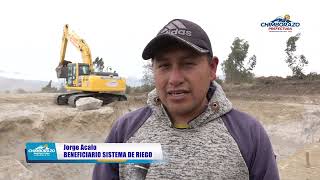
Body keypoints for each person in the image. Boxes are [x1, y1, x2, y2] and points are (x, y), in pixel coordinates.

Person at [93, 19, 279, 180]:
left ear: (212, 68)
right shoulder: (124, 130)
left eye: (188, 64)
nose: (174, 79)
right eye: (164, 66)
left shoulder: (248, 133)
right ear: (153, 71)